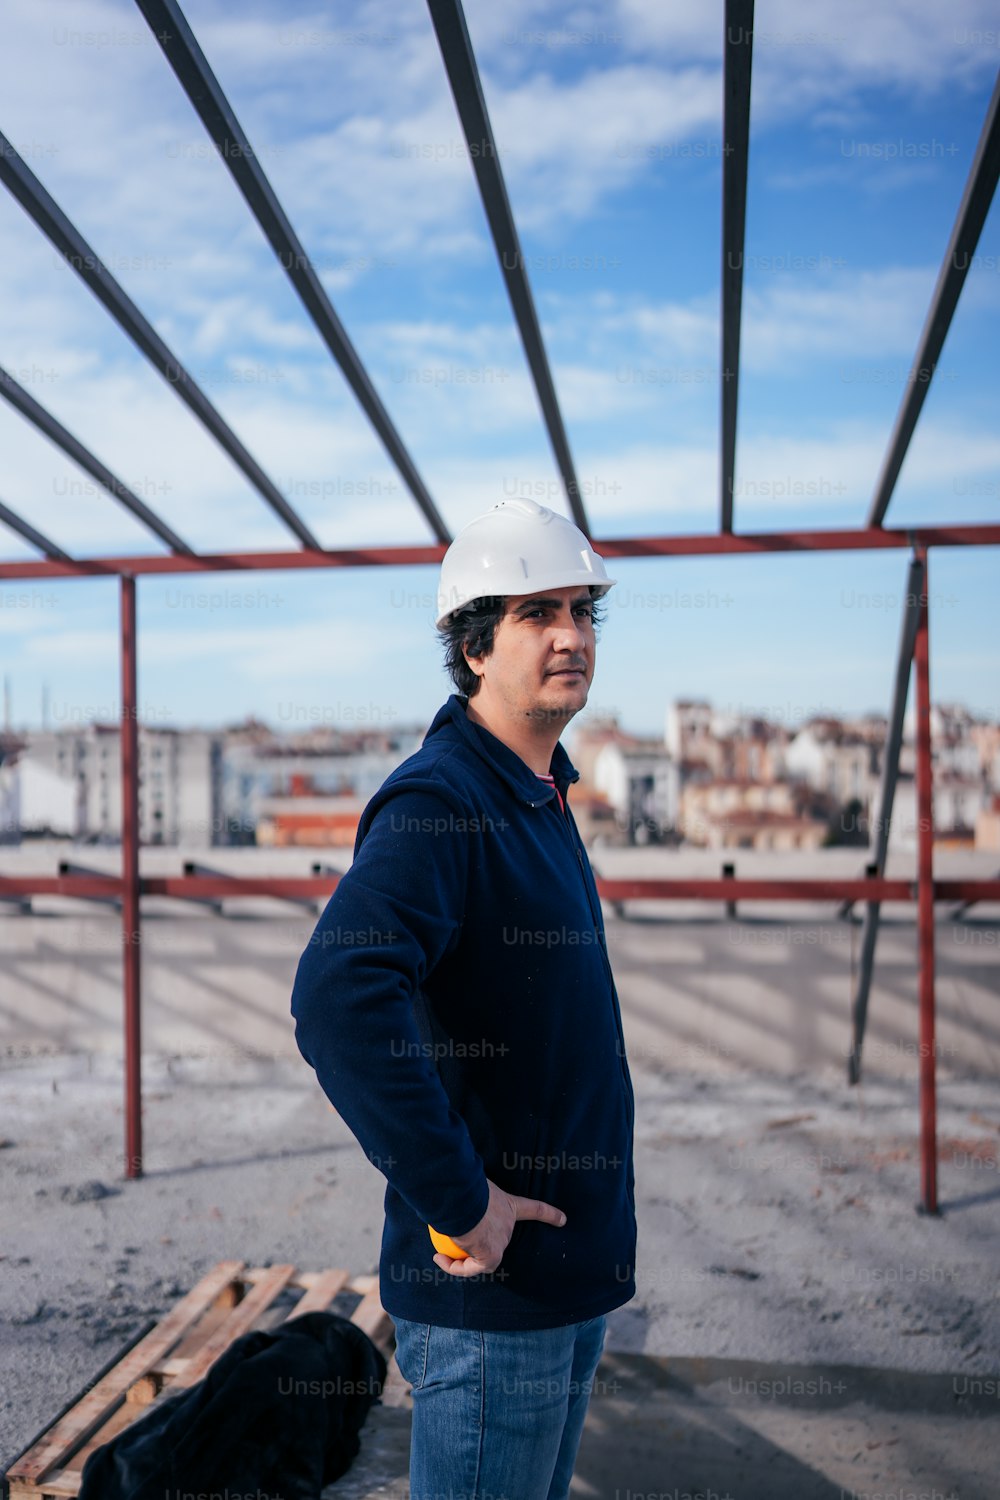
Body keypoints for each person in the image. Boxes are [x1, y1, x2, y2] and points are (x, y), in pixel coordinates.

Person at [290, 497, 637, 1500]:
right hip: (493, 1304)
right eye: (537, 613)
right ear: (475, 647)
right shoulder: (442, 800)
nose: (571, 634)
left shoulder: (534, 788)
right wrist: (460, 1200)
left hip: (563, 1285)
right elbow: (339, 996)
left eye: (581, 609)